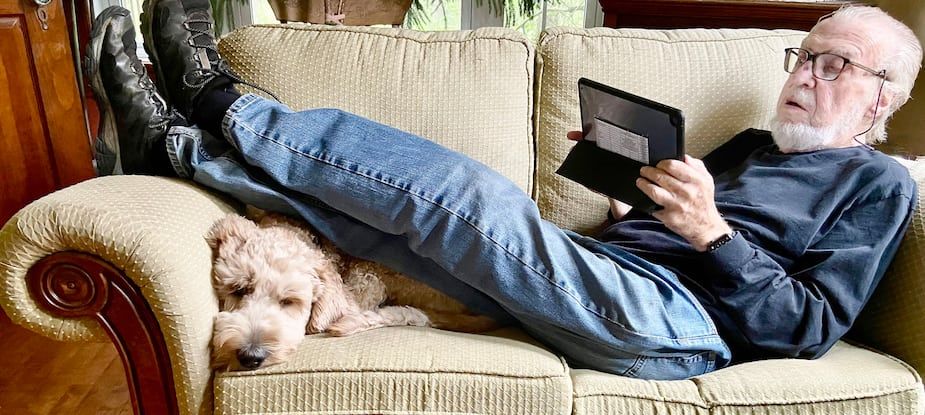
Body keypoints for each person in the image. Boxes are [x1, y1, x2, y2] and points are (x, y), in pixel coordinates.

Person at [87, 0, 922, 380]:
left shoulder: (876, 185)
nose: (804, 74)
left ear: (881, 97)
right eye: (802, 55)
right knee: (375, 224)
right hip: (608, 280)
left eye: (832, 63)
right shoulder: (749, 144)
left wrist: (710, 233)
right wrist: (637, 199)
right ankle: (178, 148)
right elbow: (674, 229)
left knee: (459, 192)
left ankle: (220, 102)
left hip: (680, 327)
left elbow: (806, 326)